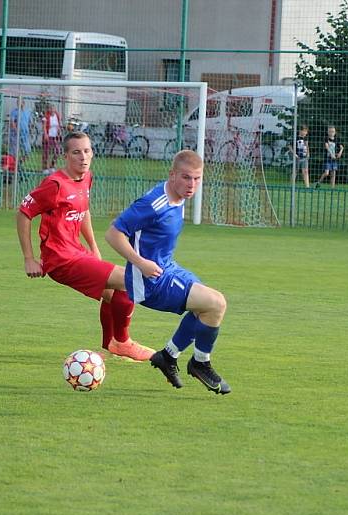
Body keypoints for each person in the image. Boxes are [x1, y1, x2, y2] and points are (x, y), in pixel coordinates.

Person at [16, 131, 153, 361]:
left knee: (112, 295)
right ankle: (123, 342)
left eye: (87, 151)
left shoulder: (86, 177)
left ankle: (110, 346)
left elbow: (83, 211)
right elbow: (24, 213)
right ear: (66, 155)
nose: (83, 157)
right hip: (61, 259)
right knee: (129, 281)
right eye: (76, 152)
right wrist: (29, 258)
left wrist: (93, 247)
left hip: (77, 252)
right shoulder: (54, 184)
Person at [105, 150, 232, 395]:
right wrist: (140, 262)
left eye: (197, 179)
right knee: (215, 304)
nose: (191, 185)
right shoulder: (153, 203)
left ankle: (168, 356)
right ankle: (200, 363)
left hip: (168, 268)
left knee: (205, 308)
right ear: (172, 175)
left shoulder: (179, 196)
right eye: (186, 178)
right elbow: (113, 233)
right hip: (150, 281)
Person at [42, 104, 63, 175]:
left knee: (57, 151)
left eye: (53, 109)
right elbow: (44, 126)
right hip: (48, 136)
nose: (52, 110)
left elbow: (58, 125)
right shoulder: (46, 116)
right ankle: (44, 168)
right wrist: (45, 134)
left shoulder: (57, 115)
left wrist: (59, 132)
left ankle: (52, 165)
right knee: (46, 152)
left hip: (55, 137)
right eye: (50, 109)